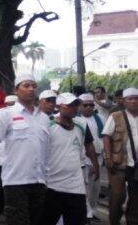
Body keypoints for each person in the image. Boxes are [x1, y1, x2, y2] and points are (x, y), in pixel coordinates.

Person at [0, 74, 49, 225]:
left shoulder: (43, 118)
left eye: (33, 86)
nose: (31, 89)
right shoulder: (6, 114)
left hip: (39, 182)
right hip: (15, 182)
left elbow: (45, 151)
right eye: (26, 86)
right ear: (16, 90)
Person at [40, 93, 99, 225]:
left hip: (75, 186)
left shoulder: (81, 124)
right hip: (52, 185)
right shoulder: (47, 125)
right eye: (69, 105)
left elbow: (89, 144)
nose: (74, 108)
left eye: (75, 105)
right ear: (59, 106)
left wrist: (95, 165)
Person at [101, 87, 138, 225]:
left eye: (136, 98)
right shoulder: (115, 116)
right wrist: (108, 158)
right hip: (118, 163)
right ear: (124, 101)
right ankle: (114, 221)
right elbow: (106, 137)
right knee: (117, 198)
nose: (134, 101)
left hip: (136, 165)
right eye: (130, 99)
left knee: (135, 199)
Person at [0, 95, 18, 223]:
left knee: (14, 189)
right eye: (8, 105)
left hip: (17, 160)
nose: (10, 107)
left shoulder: (23, 119)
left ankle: (11, 213)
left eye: (13, 104)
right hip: (1, 159)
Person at [79, 93, 104, 223]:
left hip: (98, 158)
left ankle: (92, 211)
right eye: (85, 105)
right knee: (85, 188)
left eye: (91, 105)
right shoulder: (76, 120)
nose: (89, 107)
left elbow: (105, 136)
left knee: (95, 188)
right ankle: (86, 214)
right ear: (80, 106)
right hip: (82, 159)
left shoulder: (100, 118)